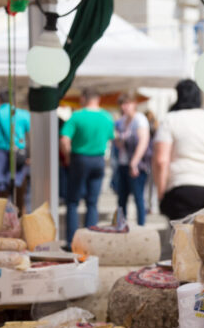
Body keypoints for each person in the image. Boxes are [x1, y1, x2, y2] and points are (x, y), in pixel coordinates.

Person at [153, 80, 204, 221]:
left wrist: (161, 192)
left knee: (184, 234)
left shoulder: (170, 120)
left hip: (184, 186)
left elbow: (161, 160)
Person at [60, 89, 115, 241]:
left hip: (80, 158)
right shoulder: (107, 117)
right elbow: (111, 138)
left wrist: (68, 157)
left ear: (83, 98)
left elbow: (64, 140)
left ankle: (72, 240)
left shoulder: (77, 116)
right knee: (92, 202)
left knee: (73, 201)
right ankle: (90, 239)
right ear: (98, 99)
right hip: (98, 160)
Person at [0, 88, 30, 215]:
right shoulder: (23, 114)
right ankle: (21, 224)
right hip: (18, 156)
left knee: (0, 201)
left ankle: (1, 225)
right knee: (20, 199)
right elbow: (28, 135)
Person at [114, 93, 151, 226]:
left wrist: (134, 163)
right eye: (122, 104)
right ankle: (121, 226)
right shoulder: (122, 121)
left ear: (134, 104)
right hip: (123, 163)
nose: (124, 107)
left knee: (138, 197)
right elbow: (119, 143)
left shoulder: (140, 120)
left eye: (127, 103)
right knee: (121, 198)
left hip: (137, 165)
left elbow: (143, 142)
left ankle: (141, 226)